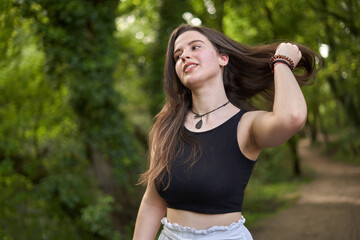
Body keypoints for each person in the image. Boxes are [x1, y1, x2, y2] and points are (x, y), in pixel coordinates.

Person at [133, 24, 320, 240]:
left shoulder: (246, 125)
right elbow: (152, 201)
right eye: (178, 55)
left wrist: (281, 63)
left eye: (195, 47)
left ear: (223, 58)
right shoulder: (165, 128)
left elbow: (292, 118)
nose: (184, 56)